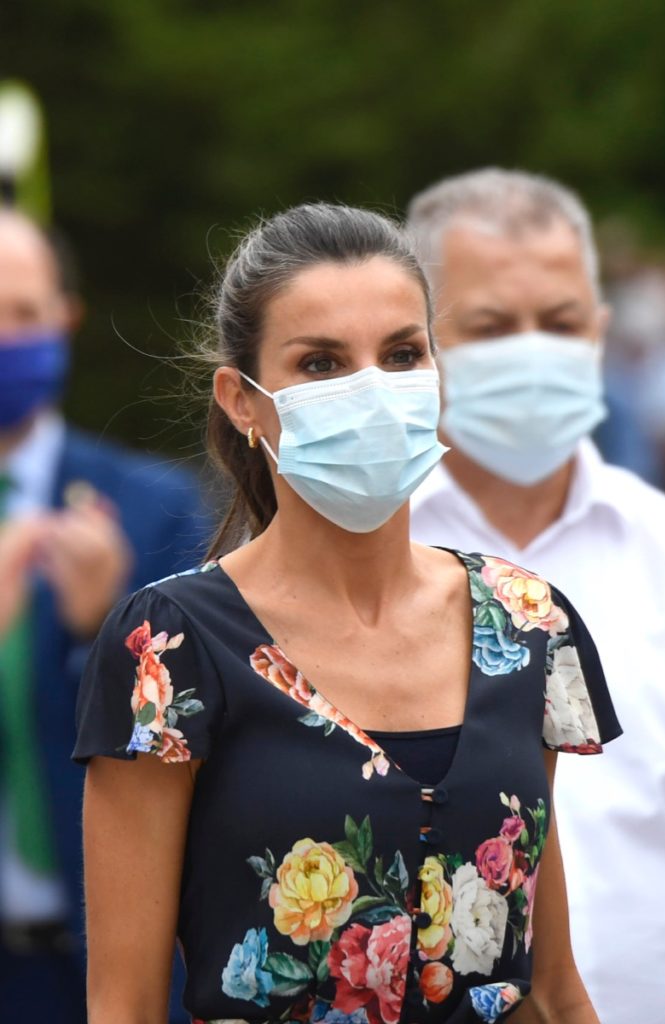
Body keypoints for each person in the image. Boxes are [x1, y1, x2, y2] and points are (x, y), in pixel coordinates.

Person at [74, 202, 620, 1024]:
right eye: (322, 363)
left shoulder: (527, 623)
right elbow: (125, 1004)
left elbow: (552, 988)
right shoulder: (169, 647)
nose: (373, 392)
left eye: (402, 354)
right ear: (242, 400)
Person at [406, 168, 665, 1024]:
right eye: (492, 327)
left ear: (602, 331)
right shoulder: (347, 565)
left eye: (561, 321)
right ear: (418, 345)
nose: (533, 350)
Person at [0, 208, 211, 1022]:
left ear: (66, 317)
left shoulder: (152, 507)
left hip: (105, 966)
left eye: (23, 313)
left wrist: (99, 638)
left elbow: (197, 751)